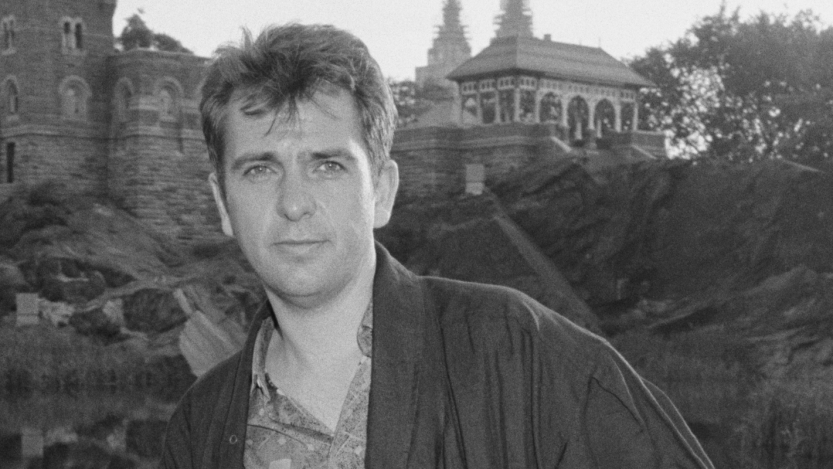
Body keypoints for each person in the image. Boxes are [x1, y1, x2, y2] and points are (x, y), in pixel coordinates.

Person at [161, 23, 715, 469]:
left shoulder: (520, 354)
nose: (294, 203)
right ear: (222, 203)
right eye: (260, 170)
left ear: (382, 191)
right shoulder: (201, 427)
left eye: (328, 166)